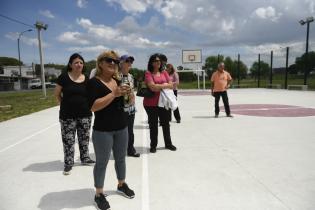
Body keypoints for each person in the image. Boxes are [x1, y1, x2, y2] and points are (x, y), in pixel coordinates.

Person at [87, 50, 135, 210]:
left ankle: (121, 184)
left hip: (121, 127)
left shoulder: (117, 79)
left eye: (115, 61)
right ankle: (99, 194)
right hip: (103, 130)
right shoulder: (93, 82)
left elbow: (127, 102)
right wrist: (114, 94)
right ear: (100, 63)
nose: (113, 63)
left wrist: (130, 95)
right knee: (102, 162)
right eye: (109, 60)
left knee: (121, 158)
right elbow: (93, 106)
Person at [54, 53, 95, 175]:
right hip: (67, 116)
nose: (79, 64)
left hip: (85, 115)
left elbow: (90, 96)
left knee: (84, 139)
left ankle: (85, 158)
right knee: (68, 140)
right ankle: (68, 163)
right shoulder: (63, 77)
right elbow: (57, 94)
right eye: (76, 62)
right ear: (70, 64)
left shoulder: (87, 79)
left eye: (81, 62)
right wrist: (65, 104)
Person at [143, 53, 177, 153]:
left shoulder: (164, 73)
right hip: (151, 104)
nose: (158, 62)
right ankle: (153, 145)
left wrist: (160, 86)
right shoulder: (148, 73)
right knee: (153, 125)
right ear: (152, 63)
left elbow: (172, 86)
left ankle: (168, 143)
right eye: (156, 61)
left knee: (166, 124)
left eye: (159, 61)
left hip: (164, 103)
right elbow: (152, 87)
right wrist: (165, 85)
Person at [119, 54, 140, 158]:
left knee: (130, 130)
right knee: (120, 131)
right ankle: (119, 151)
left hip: (131, 107)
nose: (130, 63)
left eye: (131, 61)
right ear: (121, 63)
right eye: (127, 61)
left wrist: (132, 97)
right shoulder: (116, 76)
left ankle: (130, 149)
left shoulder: (131, 76)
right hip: (120, 108)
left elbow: (132, 90)